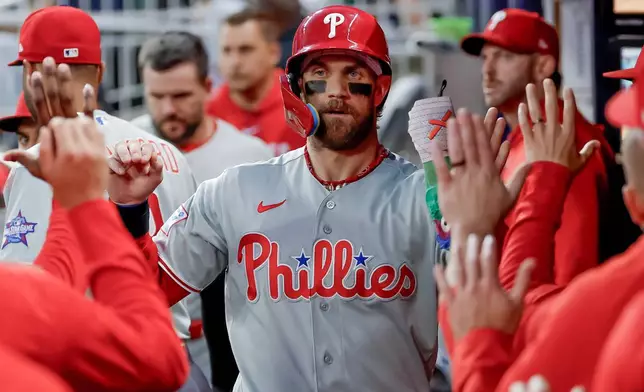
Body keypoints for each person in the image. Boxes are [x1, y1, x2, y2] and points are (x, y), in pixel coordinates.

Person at [109, 5, 443, 392]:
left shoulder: (423, 197)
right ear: (297, 88)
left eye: (354, 75)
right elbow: (145, 288)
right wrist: (131, 211)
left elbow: (489, 301)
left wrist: (466, 208)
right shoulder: (234, 190)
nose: (336, 90)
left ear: (381, 88)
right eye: (319, 75)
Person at [0, 6, 208, 391]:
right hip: (171, 355)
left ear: (31, 76)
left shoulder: (44, 158)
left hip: (100, 367)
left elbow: (33, 293)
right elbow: (181, 279)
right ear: (100, 73)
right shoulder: (170, 154)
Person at [436, 76, 644, 392]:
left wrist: (473, 232)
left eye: (505, 56)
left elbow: (519, 320)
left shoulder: (616, 311)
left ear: (635, 205)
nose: (489, 69)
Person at [0, 114, 188, 391]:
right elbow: (158, 358)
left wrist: (75, 201)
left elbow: (50, 277)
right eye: (24, 138)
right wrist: (83, 202)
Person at [132, 30, 274, 389]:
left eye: (181, 95)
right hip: (143, 337)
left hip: (230, 342)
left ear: (208, 86)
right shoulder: (123, 146)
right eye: (156, 96)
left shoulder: (250, 157)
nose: (168, 109)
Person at [460, 8, 612, 284]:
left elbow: (572, 272)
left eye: (505, 56)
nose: (488, 71)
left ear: (543, 66)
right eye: (485, 58)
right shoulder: (520, 137)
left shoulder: (565, 141)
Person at [206, 9, 305, 156]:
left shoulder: (302, 102)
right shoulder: (207, 111)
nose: (235, 62)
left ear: (273, 53)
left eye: (245, 50)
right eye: (227, 51)